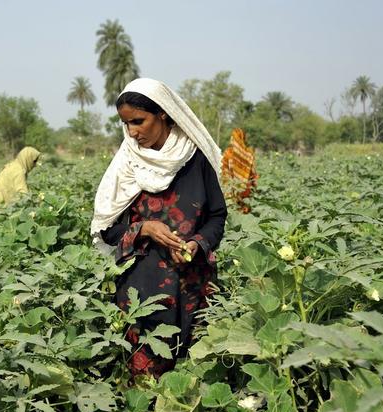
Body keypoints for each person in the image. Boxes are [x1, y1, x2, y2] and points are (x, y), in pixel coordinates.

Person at [91, 78, 227, 378]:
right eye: (126, 124)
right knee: (146, 381)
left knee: (196, 374)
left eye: (139, 121)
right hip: (144, 292)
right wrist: (144, 229)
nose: (132, 132)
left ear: (163, 113)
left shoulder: (194, 158)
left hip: (194, 285)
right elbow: (107, 230)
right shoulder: (127, 163)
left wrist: (198, 243)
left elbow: (217, 216)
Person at [221, 128, 258, 214]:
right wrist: (253, 186)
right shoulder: (249, 153)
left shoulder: (228, 152)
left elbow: (223, 170)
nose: (231, 139)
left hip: (232, 188)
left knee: (232, 211)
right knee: (245, 211)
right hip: (245, 189)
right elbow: (253, 173)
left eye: (232, 137)